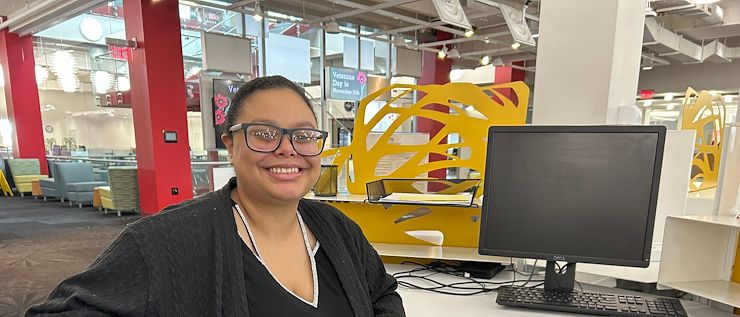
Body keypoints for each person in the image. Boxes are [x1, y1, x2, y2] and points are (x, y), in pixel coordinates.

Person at [26, 75, 405, 317]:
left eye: (304, 135)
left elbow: (384, 294)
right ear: (230, 145)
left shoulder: (338, 230)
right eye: (264, 133)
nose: (288, 149)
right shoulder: (166, 241)